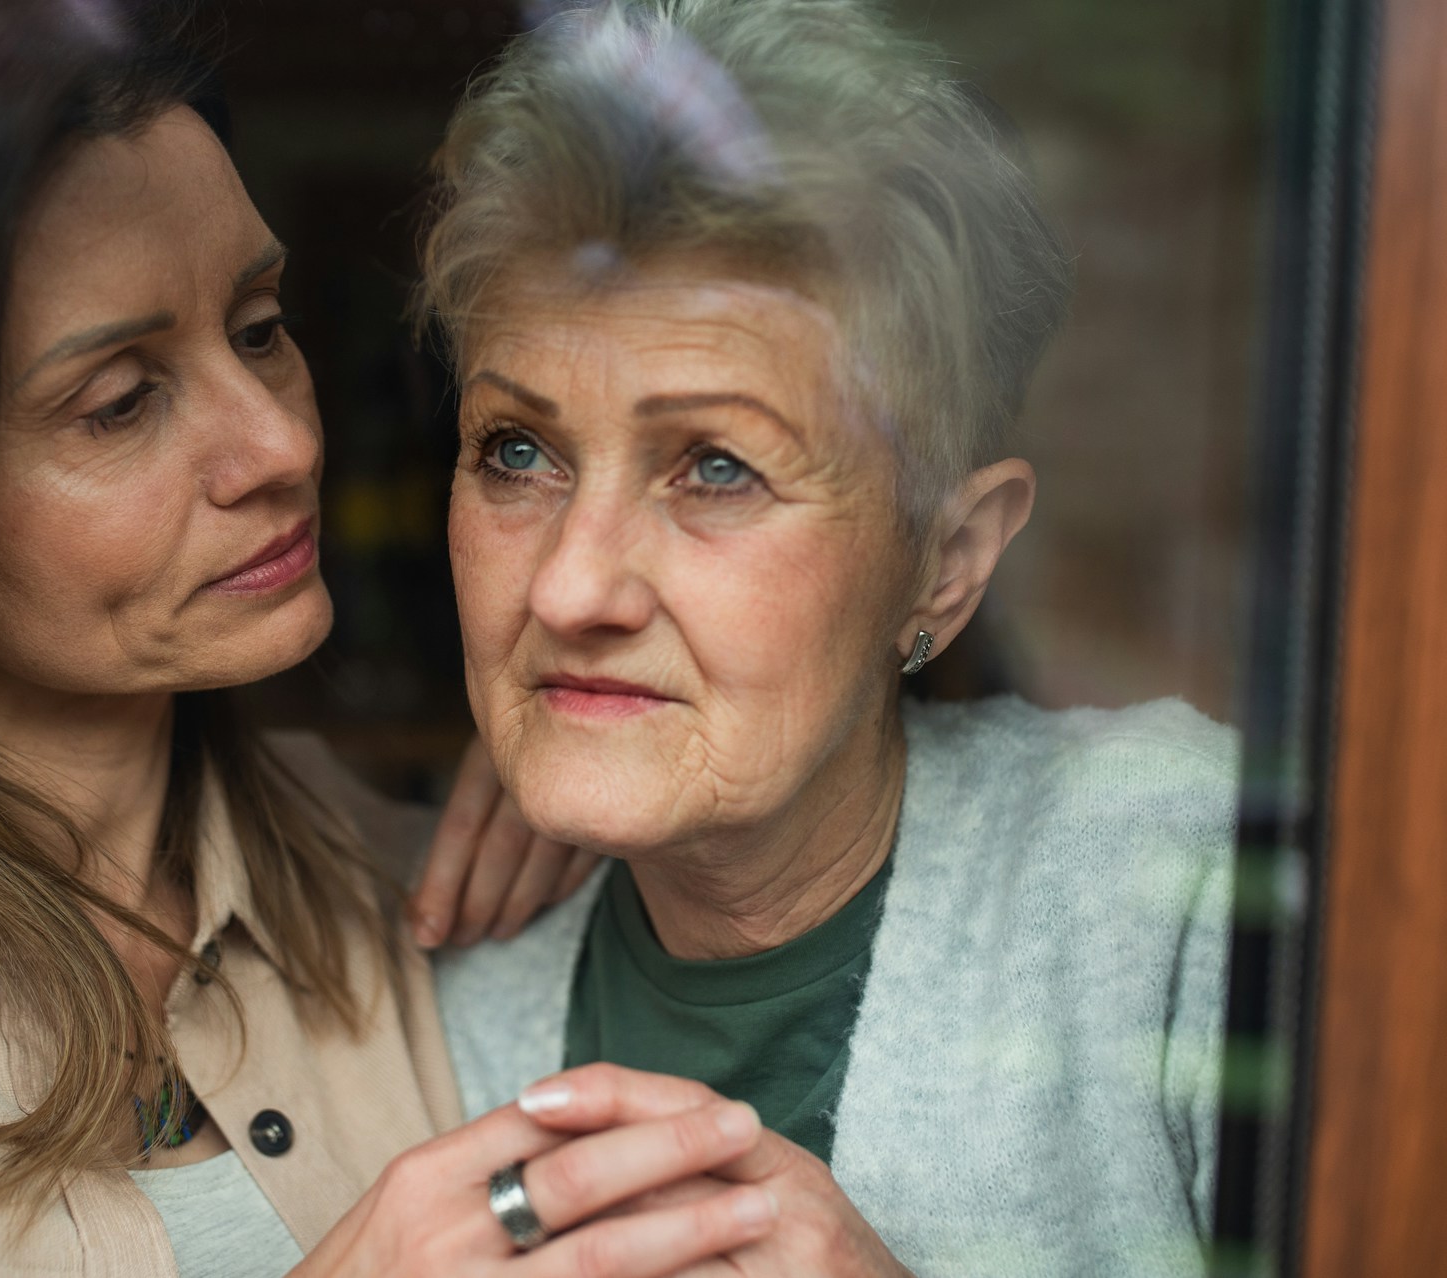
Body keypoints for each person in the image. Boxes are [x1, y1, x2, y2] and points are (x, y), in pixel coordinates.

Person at [0, 2, 780, 1273]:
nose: (279, 447)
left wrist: (582, 747)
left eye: (262, 330)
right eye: (118, 405)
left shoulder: (406, 879)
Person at [424, 1, 1235, 1274]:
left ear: (949, 562)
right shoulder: (430, 1015)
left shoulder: (1176, 885)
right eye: (515, 452)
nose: (571, 590)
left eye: (718, 470)